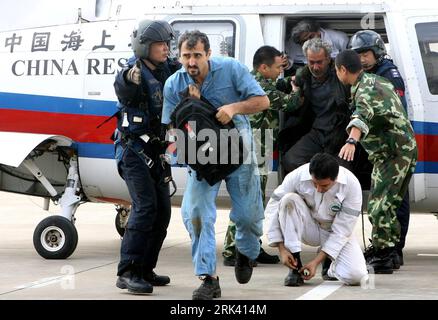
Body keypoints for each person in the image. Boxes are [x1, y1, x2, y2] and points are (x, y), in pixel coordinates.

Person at [162, 30, 270, 300]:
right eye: (186, 56)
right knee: (196, 214)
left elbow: (263, 102)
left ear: (208, 54)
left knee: (248, 215)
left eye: (197, 55)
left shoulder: (231, 69)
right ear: (179, 56)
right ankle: (208, 278)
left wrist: (233, 108)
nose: (191, 62)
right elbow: (172, 127)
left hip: (238, 150)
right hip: (202, 155)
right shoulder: (174, 85)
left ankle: (246, 252)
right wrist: (191, 108)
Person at [113, 20, 181, 294]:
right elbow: (123, 84)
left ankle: (145, 269)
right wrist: (129, 78)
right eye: (159, 44)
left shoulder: (169, 69)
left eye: (167, 43)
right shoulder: (133, 72)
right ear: (145, 47)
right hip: (134, 152)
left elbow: (191, 70)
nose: (166, 49)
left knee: (162, 212)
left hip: (158, 152)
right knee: (144, 208)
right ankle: (127, 272)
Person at [335, 49, 417, 274]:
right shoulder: (376, 80)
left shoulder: (364, 91)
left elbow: (361, 116)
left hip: (393, 153)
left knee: (379, 206)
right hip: (401, 150)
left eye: (337, 71)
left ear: (343, 69)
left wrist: (351, 140)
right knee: (389, 205)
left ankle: (383, 257)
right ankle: (389, 253)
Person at [222, 46, 298, 267]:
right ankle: (231, 250)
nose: (279, 72)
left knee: (255, 200)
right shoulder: (260, 86)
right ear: (263, 68)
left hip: (260, 145)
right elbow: (291, 103)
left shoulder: (260, 81)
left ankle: (251, 247)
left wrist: (288, 77)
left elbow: (277, 85)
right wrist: (296, 88)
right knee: (246, 198)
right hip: (252, 147)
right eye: (276, 68)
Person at [349, 30, 409, 266]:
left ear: (377, 53)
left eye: (365, 54)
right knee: (383, 199)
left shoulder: (388, 75)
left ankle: (394, 249)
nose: (362, 59)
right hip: (381, 147)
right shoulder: (368, 76)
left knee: (393, 201)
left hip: (392, 147)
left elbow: (387, 111)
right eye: (358, 55)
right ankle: (385, 247)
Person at [266, 153, 368, 286]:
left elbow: (342, 231)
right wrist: (282, 248)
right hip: (307, 226)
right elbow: (273, 207)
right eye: (315, 184)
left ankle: (330, 266)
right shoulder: (297, 175)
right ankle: (294, 268)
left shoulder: (351, 185)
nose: (319, 190)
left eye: (324, 186)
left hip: (332, 230)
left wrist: (316, 262)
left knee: (357, 276)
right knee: (288, 200)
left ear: (335, 178)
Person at [280, 37, 352, 174]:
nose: (315, 67)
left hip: (340, 133)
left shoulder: (341, 76)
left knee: (343, 172)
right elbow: (280, 87)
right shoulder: (303, 76)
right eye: (311, 62)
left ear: (329, 59)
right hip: (317, 132)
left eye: (319, 62)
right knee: (290, 160)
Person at [284, 19, 349, 76]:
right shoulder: (292, 44)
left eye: (311, 37)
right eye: (304, 41)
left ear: (318, 31)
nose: (309, 41)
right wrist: (286, 63)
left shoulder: (339, 38)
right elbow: (288, 62)